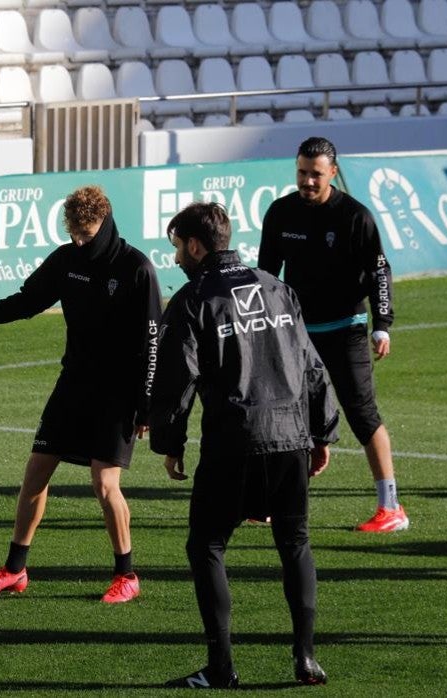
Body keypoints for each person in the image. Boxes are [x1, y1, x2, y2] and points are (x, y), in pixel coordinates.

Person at [150, 201, 338, 688]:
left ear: (196, 246)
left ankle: (221, 667)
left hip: (234, 442)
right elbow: (311, 364)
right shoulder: (277, 288)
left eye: (178, 247)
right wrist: (322, 432)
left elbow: (177, 379)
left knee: (207, 545)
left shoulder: (192, 299)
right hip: (291, 439)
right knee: (295, 544)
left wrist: (170, 442)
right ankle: (306, 658)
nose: (176, 257)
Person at [0, 185, 162, 604]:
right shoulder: (66, 260)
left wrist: (147, 406)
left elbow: (153, 342)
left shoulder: (136, 268)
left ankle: (126, 575)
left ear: (105, 223)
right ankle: (14, 569)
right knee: (36, 472)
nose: (80, 242)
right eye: (74, 234)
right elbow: (27, 301)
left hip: (118, 393)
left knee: (104, 484)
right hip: (74, 385)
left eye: (87, 235)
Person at [258, 136, 406, 533]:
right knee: (287, 417)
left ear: (333, 173)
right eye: (302, 173)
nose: (307, 181)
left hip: (346, 330)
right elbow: (267, 276)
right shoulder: (281, 213)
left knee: (362, 414)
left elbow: (379, 272)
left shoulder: (356, 217)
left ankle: (391, 507)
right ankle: (279, 501)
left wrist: (382, 325)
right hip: (298, 334)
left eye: (316, 175)